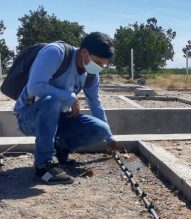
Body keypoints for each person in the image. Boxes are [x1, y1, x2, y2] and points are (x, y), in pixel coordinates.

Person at [14, 32, 117, 185]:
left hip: (57, 118)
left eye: (103, 65)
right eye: (98, 63)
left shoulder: (90, 75)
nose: (100, 68)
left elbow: (95, 102)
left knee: (101, 129)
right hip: (29, 117)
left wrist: (109, 137)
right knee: (52, 101)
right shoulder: (56, 53)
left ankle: (61, 148)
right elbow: (34, 87)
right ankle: (43, 166)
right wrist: (70, 96)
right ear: (84, 52)